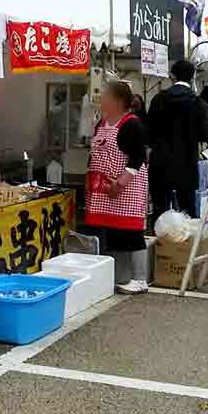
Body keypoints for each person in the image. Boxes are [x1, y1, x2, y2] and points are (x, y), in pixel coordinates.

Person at [85, 81, 150, 294]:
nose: (101, 99)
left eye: (104, 96)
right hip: (104, 189)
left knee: (132, 233)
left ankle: (139, 279)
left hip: (126, 189)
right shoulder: (102, 123)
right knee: (111, 233)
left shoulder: (132, 124)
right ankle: (116, 276)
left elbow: (138, 158)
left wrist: (120, 183)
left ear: (118, 101)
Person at [148, 60, 208, 222]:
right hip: (187, 163)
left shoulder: (158, 99)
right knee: (187, 209)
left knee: (160, 209)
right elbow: (204, 135)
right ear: (192, 77)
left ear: (172, 76)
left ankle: (161, 244)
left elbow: (148, 133)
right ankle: (186, 246)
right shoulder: (199, 103)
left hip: (160, 163)